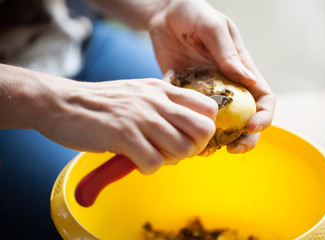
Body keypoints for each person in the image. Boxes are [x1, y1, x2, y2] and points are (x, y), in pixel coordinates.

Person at [0, 0, 275, 238]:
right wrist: (56, 101)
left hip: (63, 34)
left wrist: (162, 9)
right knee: (72, 216)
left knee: (174, 168)